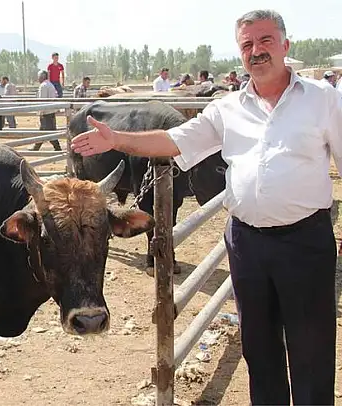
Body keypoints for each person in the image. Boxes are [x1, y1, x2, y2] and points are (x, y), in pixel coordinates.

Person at [71, 9, 339, 406]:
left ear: (285, 45)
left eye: (265, 40)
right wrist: (117, 140)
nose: (256, 50)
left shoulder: (324, 99)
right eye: (247, 44)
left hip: (305, 241)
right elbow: (175, 141)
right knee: (259, 349)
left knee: (311, 350)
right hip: (248, 244)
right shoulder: (227, 108)